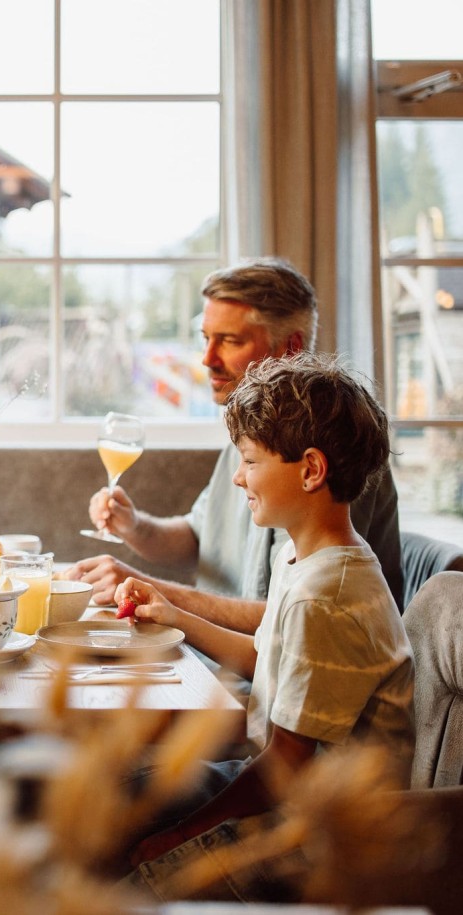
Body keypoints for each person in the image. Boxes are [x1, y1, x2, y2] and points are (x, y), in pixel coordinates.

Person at [122, 352, 413, 902]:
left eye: (250, 462)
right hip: (275, 789)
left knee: (133, 878)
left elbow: (288, 766)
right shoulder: (306, 561)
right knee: (120, 803)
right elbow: (269, 655)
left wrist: (181, 838)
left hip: (315, 831)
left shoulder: (327, 595)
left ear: (310, 469)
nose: (237, 477)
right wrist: (175, 617)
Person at [65, 258, 403, 631]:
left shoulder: (335, 450)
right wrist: (133, 526)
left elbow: (290, 618)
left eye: (229, 340)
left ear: (290, 348)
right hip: (214, 658)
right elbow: (197, 539)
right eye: (206, 338)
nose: (208, 359)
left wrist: (150, 591)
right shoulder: (248, 440)